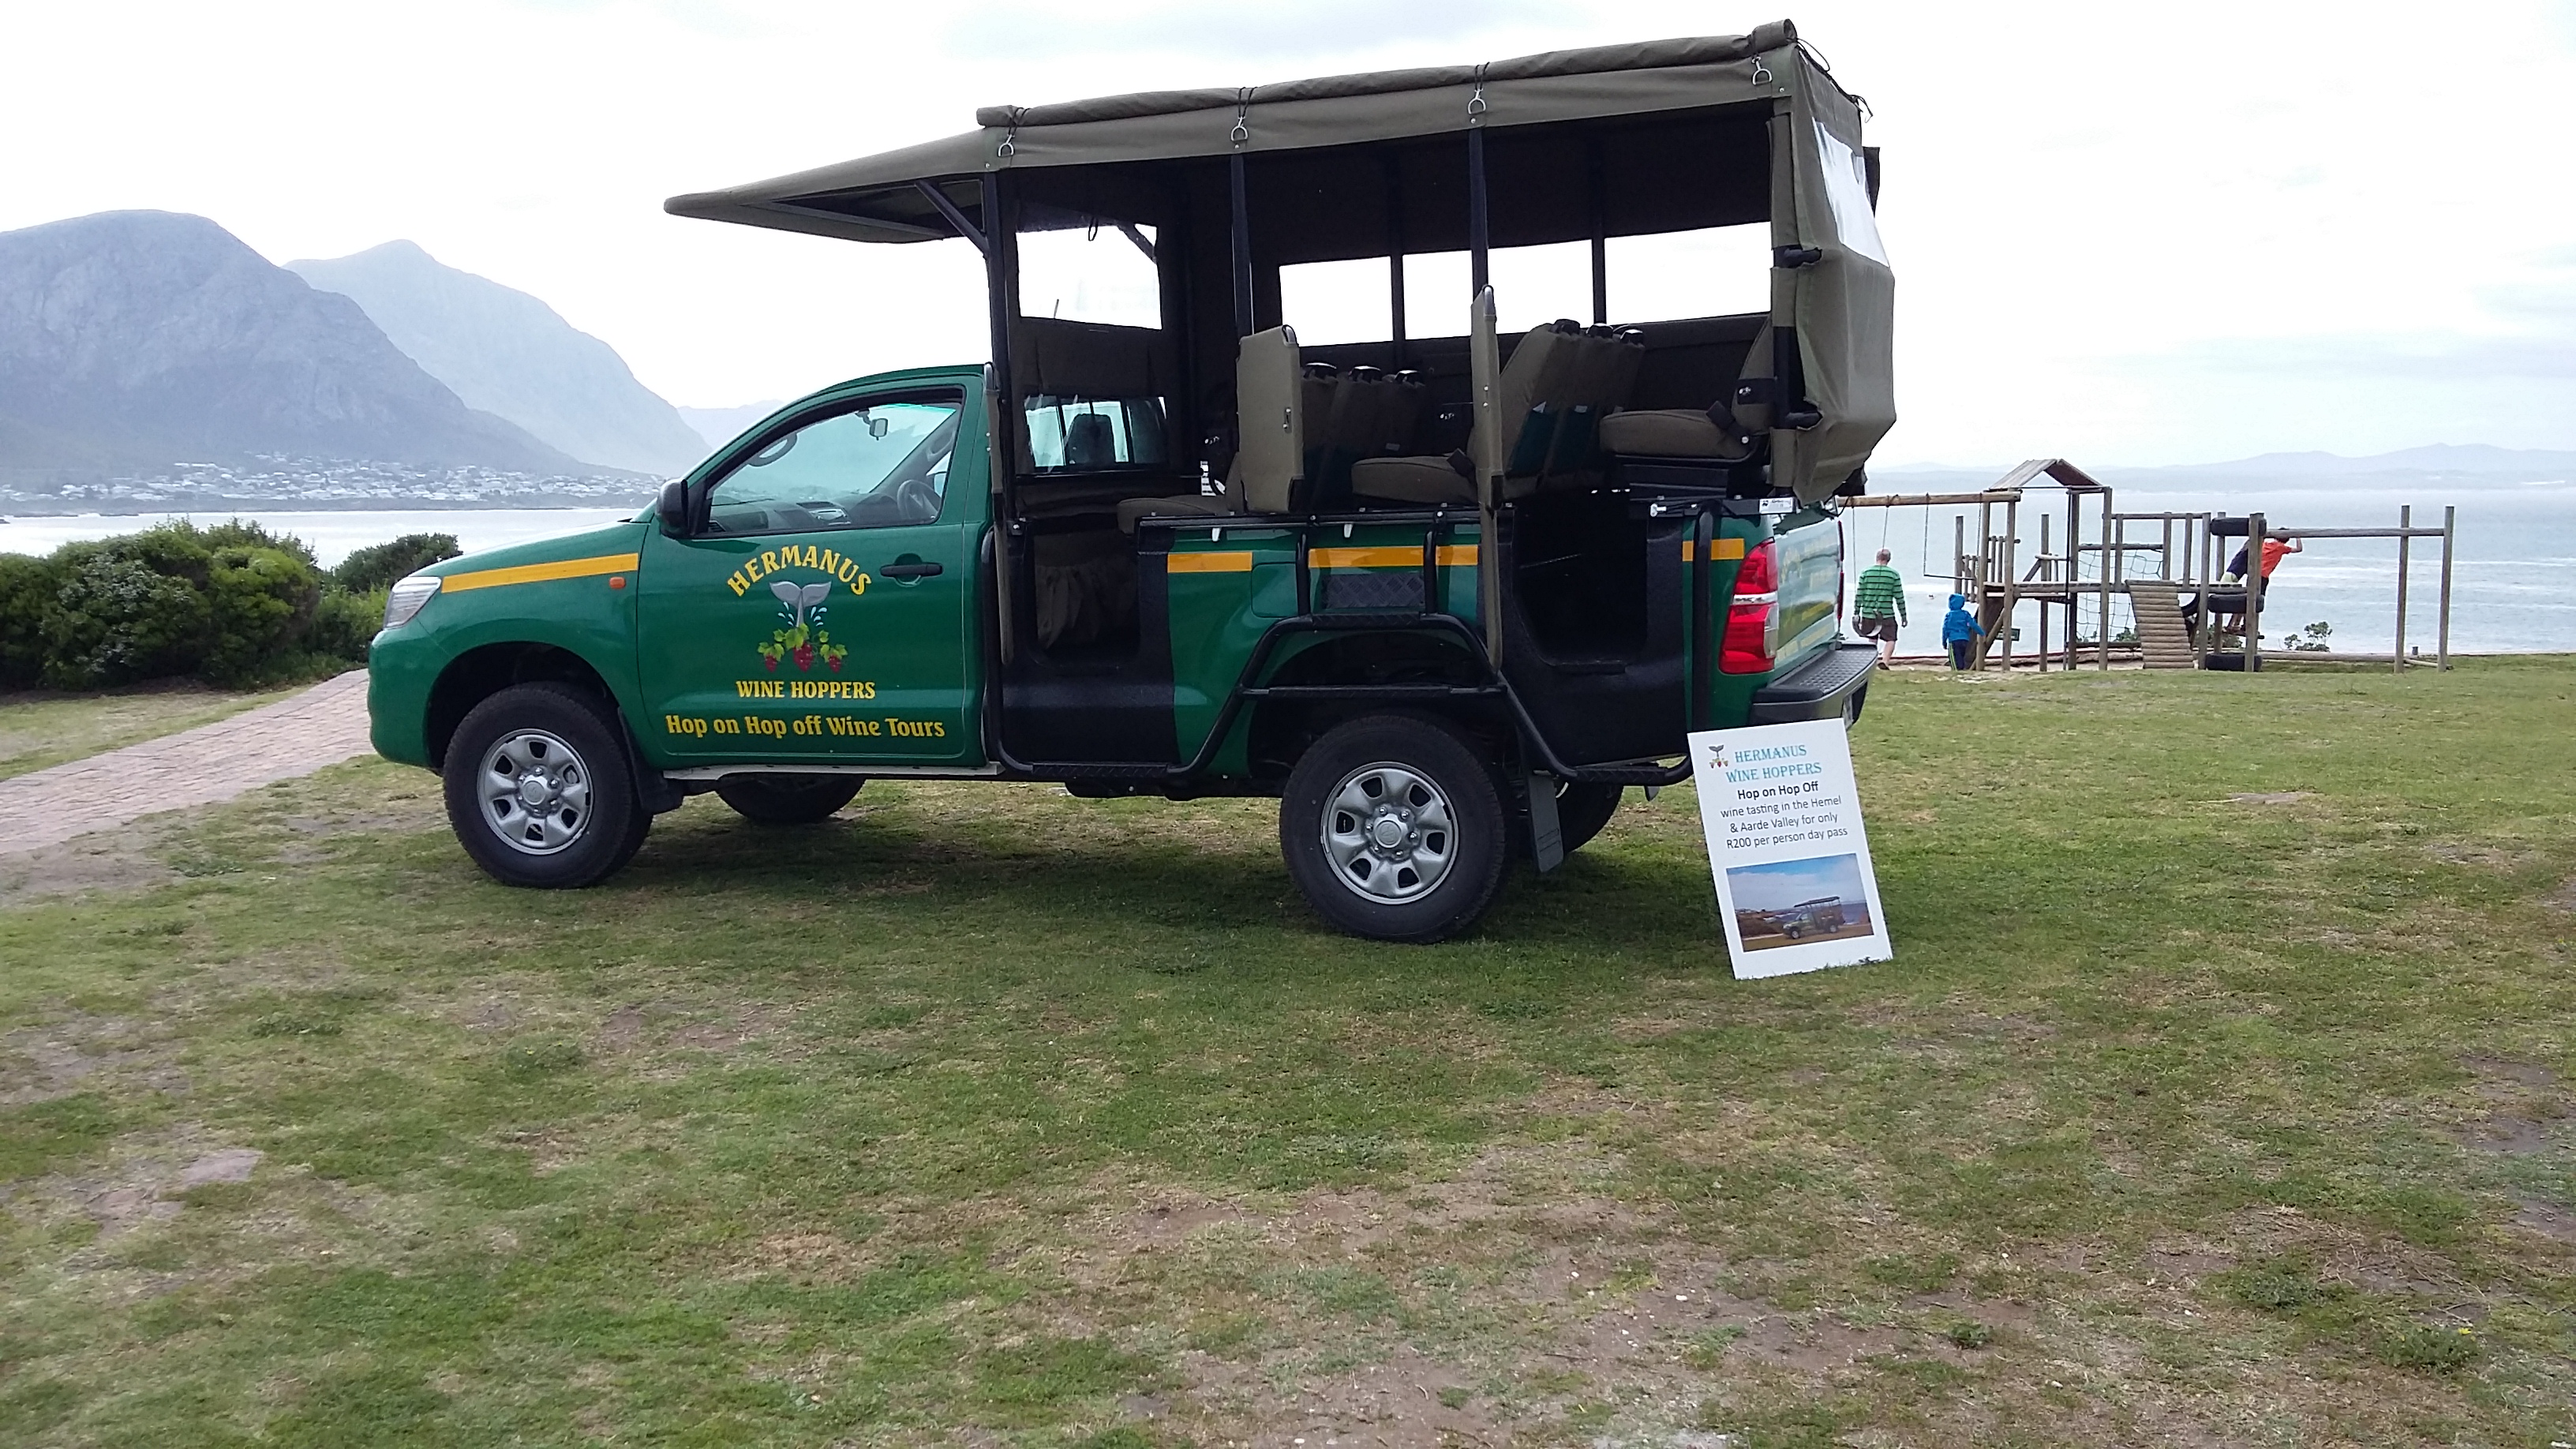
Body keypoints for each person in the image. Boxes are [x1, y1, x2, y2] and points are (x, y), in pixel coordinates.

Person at [1849, 547, 1908, 668]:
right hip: (1886, 614)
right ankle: (1885, 662)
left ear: (1876, 558)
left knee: (1872, 638)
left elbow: (1859, 595)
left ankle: (1871, 663)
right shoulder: (1893, 575)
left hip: (1868, 613)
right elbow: (1899, 597)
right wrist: (1903, 616)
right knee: (1891, 639)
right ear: (1889, 559)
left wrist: (1856, 612)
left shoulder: (1866, 573)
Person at [1941, 592, 1986, 672]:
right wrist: (1982, 633)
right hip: (1964, 639)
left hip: (1953, 639)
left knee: (1953, 658)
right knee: (1961, 656)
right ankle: (1962, 669)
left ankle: (1956, 671)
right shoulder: (1965, 614)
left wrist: (1944, 642)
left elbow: (1945, 629)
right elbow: (1973, 624)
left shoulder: (1949, 615)